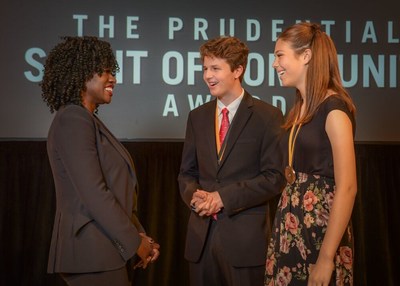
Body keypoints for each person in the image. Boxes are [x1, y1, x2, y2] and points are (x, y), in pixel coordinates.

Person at [40, 36, 160, 286]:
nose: (113, 78)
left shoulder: (87, 120)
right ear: (82, 73)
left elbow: (116, 192)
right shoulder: (73, 119)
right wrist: (136, 243)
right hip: (90, 253)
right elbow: (95, 194)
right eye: (105, 71)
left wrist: (140, 237)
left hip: (101, 252)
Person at [178, 36, 286, 286]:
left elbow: (274, 177)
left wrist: (223, 198)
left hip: (245, 245)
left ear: (238, 70)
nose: (207, 75)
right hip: (201, 242)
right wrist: (194, 197)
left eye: (215, 68)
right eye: (205, 68)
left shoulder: (268, 116)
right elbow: (186, 174)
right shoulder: (197, 117)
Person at [264, 22, 357, 286]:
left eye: (280, 55)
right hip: (291, 229)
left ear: (305, 56)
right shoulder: (301, 109)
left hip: (320, 232)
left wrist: (326, 258)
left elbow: (348, 187)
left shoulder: (334, 110)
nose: (274, 64)